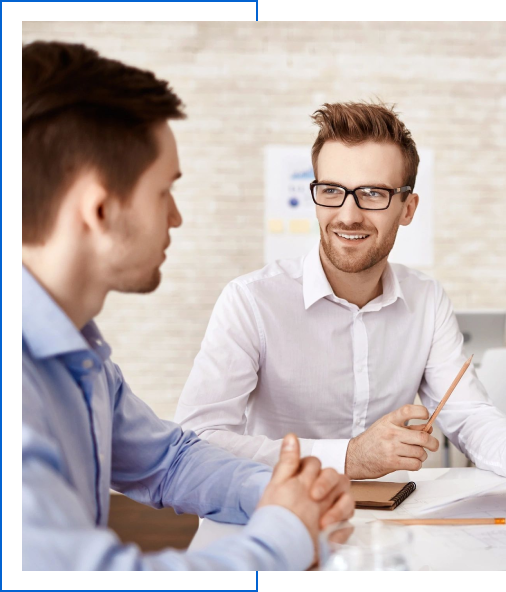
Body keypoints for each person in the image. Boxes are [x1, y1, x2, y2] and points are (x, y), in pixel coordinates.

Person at [21, 41, 353, 571]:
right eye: (163, 192)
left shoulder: (79, 356)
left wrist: (286, 489)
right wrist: (285, 534)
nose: (175, 218)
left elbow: (167, 461)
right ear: (100, 208)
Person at [176, 101, 506, 499]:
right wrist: (350, 458)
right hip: (277, 515)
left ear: (407, 208)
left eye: (373, 193)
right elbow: (199, 441)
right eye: (332, 191)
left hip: (394, 521)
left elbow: (467, 414)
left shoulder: (426, 300)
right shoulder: (250, 301)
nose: (348, 214)